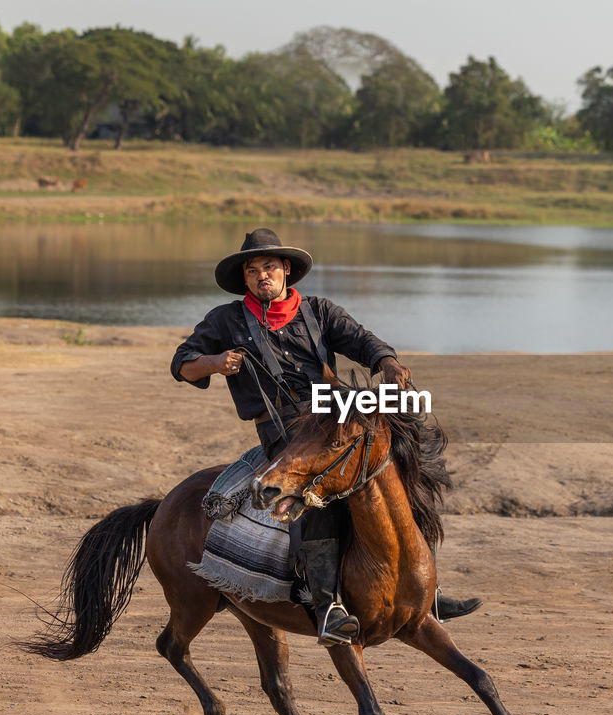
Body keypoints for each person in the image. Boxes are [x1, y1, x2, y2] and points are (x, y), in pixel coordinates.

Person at [172, 228, 480, 645]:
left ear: (286, 272)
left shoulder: (318, 310)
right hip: (285, 433)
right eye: (252, 271)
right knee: (318, 495)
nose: (262, 276)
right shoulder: (225, 320)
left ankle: (427, 591)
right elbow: (183, 364)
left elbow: (362, 340)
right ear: (245, 279)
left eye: (269, 267)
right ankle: (327, 604)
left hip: (335, 417)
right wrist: (213, 361)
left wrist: (387, 362)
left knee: (404, 467)